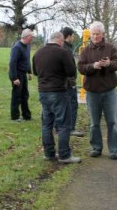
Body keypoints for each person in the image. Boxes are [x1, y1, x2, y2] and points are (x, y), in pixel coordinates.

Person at [32, 31, 81, 164]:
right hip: (58, 91)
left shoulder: (38, 53)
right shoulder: (63, 52)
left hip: (43, 92)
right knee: (64, 124)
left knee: (47, 124)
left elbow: (35, 71)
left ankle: (49, 153)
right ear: (60, 40)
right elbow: (71, 72)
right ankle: (65, 155)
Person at [77, 21, 117, 160]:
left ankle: (114, 150)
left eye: (97, 34)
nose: (95, 37)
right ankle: (96, 147)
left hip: (109, 91)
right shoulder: (85, 51)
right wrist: (93, 66)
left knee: (112, 122)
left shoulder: (111, 48)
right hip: (92, 91)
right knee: (94, 123)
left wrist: (109, 64)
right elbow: (80, 67)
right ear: (90, 35)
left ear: (103, 34)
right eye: (93, 34)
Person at [61, 26, 84, 137]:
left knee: (63, 106)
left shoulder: (62, 47)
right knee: (72, 105)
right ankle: (70, 128)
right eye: (73, 35)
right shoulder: (66, 49)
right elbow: (69, 68)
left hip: (62, 83)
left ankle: (60, 126)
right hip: (68, 83)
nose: (74, 37)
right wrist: (72, 82)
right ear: (69, 36)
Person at [9, 28, 34, 121]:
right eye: (31, 37)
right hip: (17, 74)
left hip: (24, 74)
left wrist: (29, 72)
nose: (32, 39)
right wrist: (14, 78)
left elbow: (27, 60)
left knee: (25, 95)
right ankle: (15, 116)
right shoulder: (17, 47)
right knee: (17, 95)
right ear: (26, 37)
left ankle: (26, 115)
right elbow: (12, 63)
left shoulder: (28, 46)